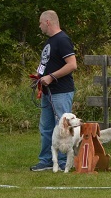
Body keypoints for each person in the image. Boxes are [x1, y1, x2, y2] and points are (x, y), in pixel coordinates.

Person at [31, 10, 78, 171]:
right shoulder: (49, 42)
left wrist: (51, 77)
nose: (39, 26)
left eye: (40, 23)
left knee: (63, 128)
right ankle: (47, 159)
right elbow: (46, 64)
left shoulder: (62, 40)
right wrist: (39, 76)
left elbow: (72, 65)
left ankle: (64, 161)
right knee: (46, 127)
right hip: (48, 92)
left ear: (48, 22)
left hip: (61, 92)